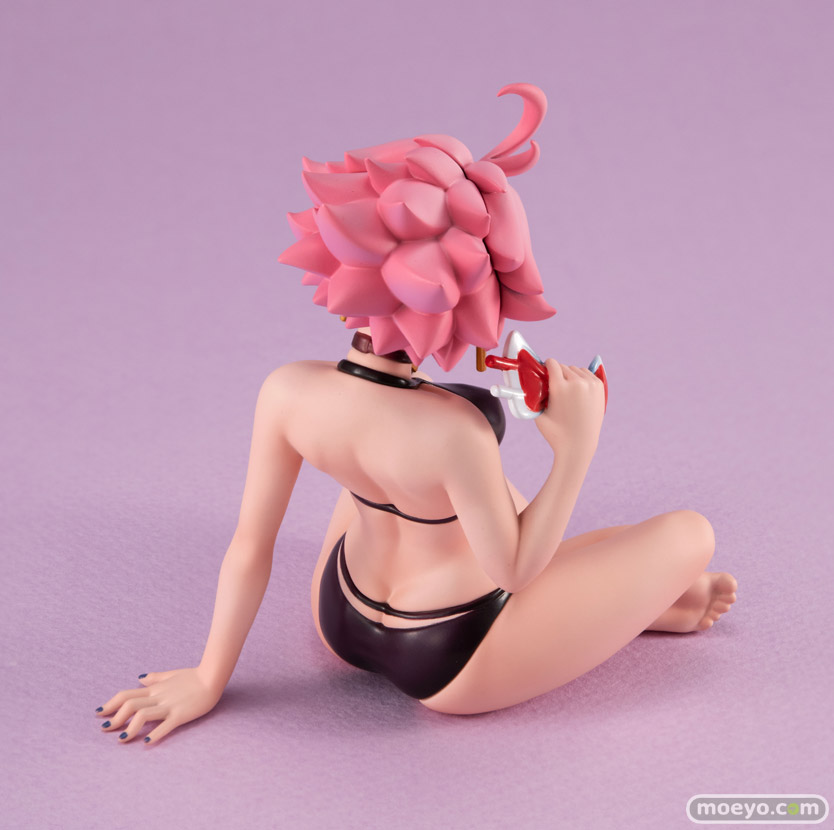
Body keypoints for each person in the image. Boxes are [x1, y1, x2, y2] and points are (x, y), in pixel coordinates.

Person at [95, 84, 737, 744]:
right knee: (689, 535)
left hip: (338, 610)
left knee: (414, 476)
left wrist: (208, 677)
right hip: (458, 652)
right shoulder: (454, 432)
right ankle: (638, 603)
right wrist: (577, 450)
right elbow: (515, 572)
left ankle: (636, 604)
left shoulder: (286, 390)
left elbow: (248, 547)